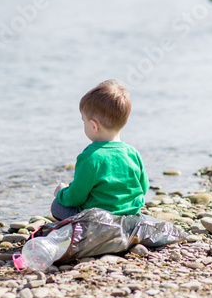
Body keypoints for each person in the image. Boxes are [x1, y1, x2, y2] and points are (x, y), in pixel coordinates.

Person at [51, 79, 149, 221]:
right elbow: (143, 188)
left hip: (98, 221)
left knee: (57, 206)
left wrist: (61, 192)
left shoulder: (91, 157)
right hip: (129, 217)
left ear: (94, 126)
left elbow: (75, 197)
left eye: (84, 122)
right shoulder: (133, 153)